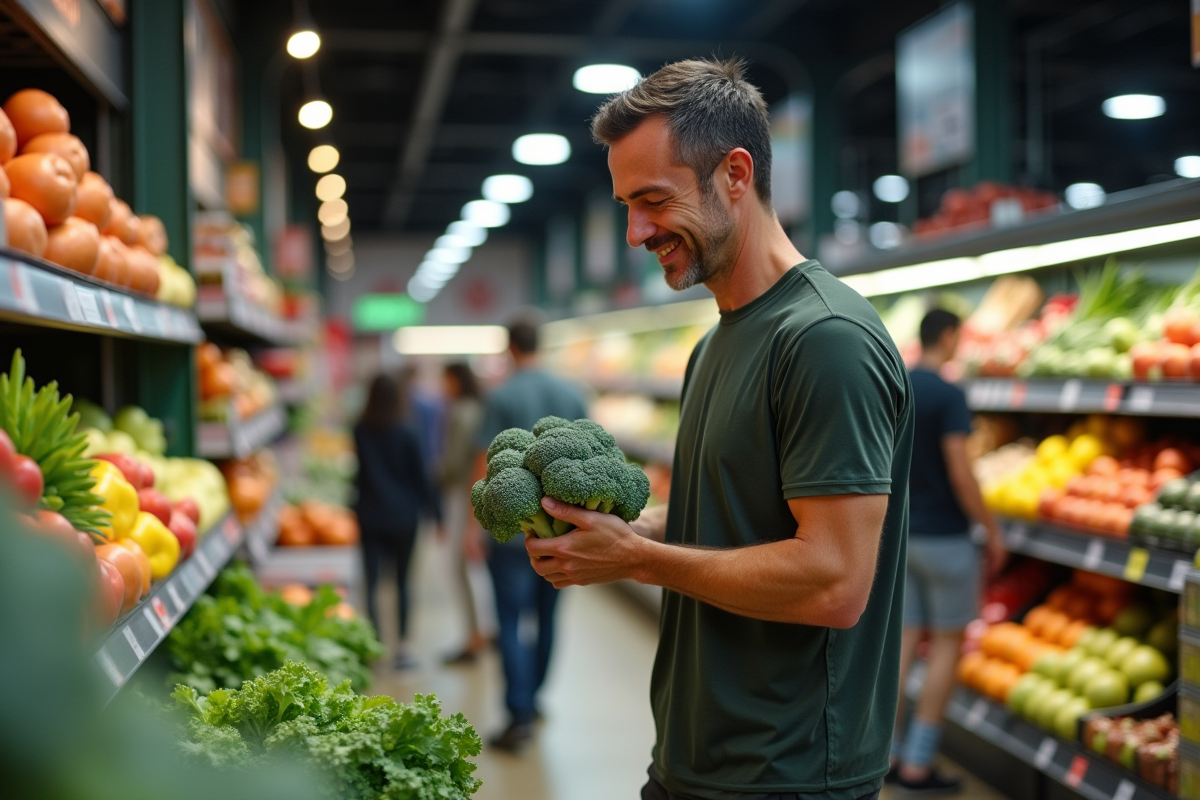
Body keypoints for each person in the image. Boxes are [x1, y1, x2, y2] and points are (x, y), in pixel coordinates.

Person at [523, 58, 914, 800]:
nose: (637, 231)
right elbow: (731, 521)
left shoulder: (827, 339)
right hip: (694, 758)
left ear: (735, 174)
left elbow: (835, 582)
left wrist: (639, 559)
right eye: (625, 206)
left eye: (653, 201)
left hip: (788, 775)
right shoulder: (718, 340)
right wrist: (623, 527)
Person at [890, 309, 1006, 794]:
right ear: (951, 336)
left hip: (902, 538)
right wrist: (991, 528)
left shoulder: (896, 383)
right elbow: (962, 472)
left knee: (899, 648)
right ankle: (918, 763)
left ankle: (886, 754)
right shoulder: (949, 392)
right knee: (945, 648)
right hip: (946, 543)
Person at [464, 317, 588, 752]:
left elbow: (483, 462)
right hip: (567, 532)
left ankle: (518, 713)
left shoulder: (501, 395)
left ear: (511, 347)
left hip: (513, 536)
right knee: (548, 618)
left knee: (511, 623)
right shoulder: (572, 392)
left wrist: (471, 526)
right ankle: (533, 699)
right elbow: (595, 456)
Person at [353, 373, 442, 670]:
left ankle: (373, 647)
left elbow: (359, 475)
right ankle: (403, 648)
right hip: (404, 518)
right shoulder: (408, 430)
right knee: (403, 582)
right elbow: (422, 477)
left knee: (373, 583)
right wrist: (437, 515)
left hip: (370, 515)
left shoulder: (360, 429)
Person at [437, 362, 493, 664]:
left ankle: (474, 635)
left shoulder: (462, 411)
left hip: (462, 494)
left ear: (455, 380)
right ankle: (483, 630)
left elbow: (456, 462)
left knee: (461, 564)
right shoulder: (478, 407)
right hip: (476, 492)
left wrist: (435, 474)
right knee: (474, 566)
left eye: (445, 379)